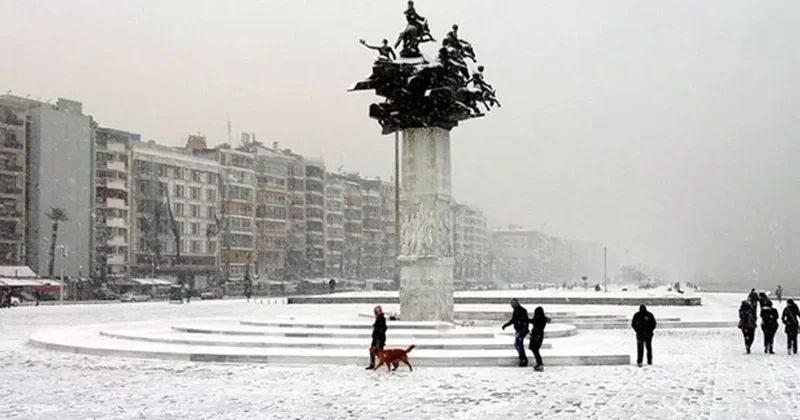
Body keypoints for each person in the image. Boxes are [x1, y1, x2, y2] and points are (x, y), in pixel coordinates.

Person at [502, 298, 529, 367]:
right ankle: (523, 359)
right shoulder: (517, 310)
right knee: (518, 345)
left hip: (522, 329)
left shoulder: (521, 310)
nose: (512, 305)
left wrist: (506, 325)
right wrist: (506, 325)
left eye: (513, 304)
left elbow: (519, 320)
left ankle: (523, 360)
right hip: (520, 330)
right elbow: (514, 320)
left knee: (518, 344)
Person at [529, 306, 551, 371]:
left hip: (535, 335)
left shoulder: (537, 319)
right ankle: (539, 363)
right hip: (539, 335)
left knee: (535, 350)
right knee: (536, 350)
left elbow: (531, 321)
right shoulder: (543, 319)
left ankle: (540, 364)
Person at [366, 305, 387, 370]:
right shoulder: (380, 318)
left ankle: (382, 362)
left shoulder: (381, 319)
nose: (375, 314)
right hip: (377, 338)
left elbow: (382, 329)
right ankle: (374, 364)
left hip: (379, 339)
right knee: (374, 351)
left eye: (375, 312)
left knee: (377, 352)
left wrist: (377, 336)